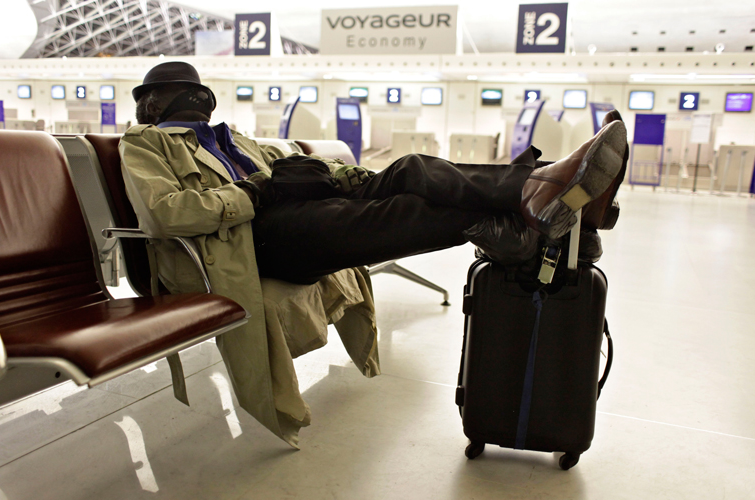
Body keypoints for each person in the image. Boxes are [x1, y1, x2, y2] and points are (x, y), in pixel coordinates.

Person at [120, 61, 626, 447]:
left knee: (408, 172)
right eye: (156, 98)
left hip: (294, 214)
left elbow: (298, 172)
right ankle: (549, 210)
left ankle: (531, 204)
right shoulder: (145, 145)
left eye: (157, 96)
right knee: (383, 216)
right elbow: (168, 214)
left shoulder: (240, 139)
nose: (153, 106)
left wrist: (346, 178)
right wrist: (258, 190)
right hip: (246, 241)